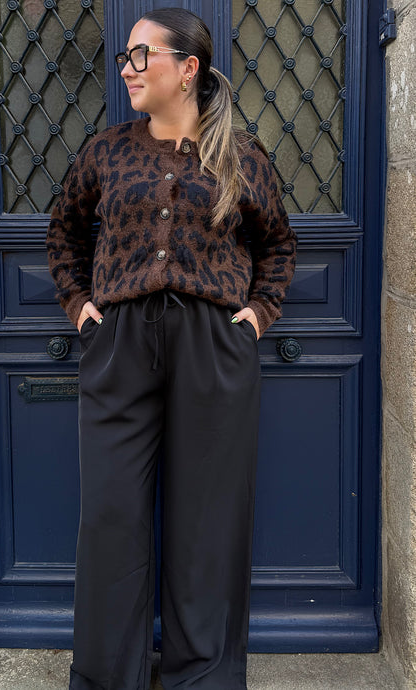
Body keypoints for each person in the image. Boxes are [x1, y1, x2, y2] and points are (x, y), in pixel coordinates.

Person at [46, 7, 297, 689]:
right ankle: (108, 677)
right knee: (111, 516)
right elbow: (63, 231)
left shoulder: (241, 156)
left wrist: (256, 316)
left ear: (187, 69)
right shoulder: (105, 152)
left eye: (140, 56)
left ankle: (203, 676)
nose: (126, 70)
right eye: (124, 58)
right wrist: (80, 306)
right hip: (119, 343)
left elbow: (277, 244)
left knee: (206, 522)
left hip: (213, 346)